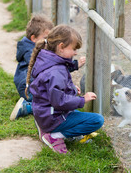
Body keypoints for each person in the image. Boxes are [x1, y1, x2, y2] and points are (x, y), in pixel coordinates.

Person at [26, 24, 104, 154]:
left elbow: (51, 90)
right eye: (73, 49)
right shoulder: (56, 71)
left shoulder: (47, 60)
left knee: (79, 114)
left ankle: (47, 128)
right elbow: (59, 101)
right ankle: (53, 136)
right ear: (61, 47)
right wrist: (82, 100)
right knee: (96, 120)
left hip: (44, 112)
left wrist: (71, 89)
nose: (75, 53)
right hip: (53, 116)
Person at [10, 15, 85, 120]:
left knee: (54, 98)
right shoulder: (30, 51)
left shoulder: (30, 46)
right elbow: (51, 71)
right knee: (49, 103)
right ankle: (26, 107)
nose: (49, 41)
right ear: (33, 38)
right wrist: (75, 66)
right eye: (46, 38)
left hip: (29, 84)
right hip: (27, 86)